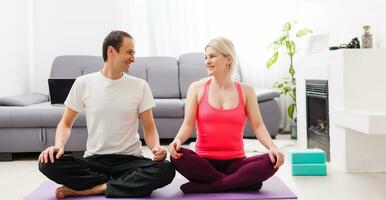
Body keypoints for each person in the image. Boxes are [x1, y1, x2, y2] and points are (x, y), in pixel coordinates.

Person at [38, 30, 175, 198]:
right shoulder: (83, 83)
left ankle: (98, 187)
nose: (133, 58)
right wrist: (58, 146)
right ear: (111, 51)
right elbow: (65, 123)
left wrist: (155, 147)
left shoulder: (140, 86)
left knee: (166, 169)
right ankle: (123, 183)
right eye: (129, 52)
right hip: (95, 161)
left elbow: (149, 127)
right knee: (46, 163)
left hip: (130, 160)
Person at [168, 37, 284, 193]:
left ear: (228, 58)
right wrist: (177, 140)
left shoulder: (246, 90)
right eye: (206, 57)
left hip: (236, 162)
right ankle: (240, 182)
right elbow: (188, 124)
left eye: (212, 56)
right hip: (204, 162)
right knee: (177, 156)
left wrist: (273, 147)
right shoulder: (196, 88)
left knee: (273, 159)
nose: (207, 61)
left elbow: (258, 125)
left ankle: (212, 185)